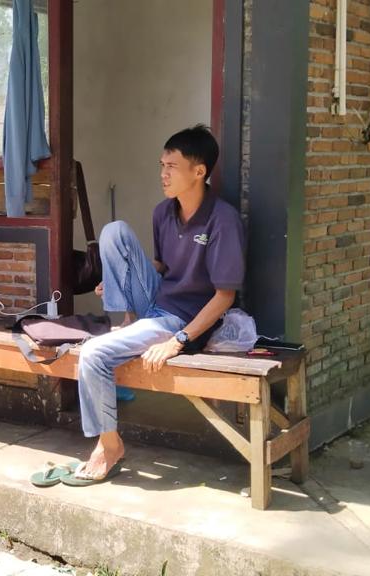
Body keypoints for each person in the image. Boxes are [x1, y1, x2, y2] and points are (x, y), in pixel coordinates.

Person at [68, 125, 245, 485]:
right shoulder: (163, 213)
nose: (163, 174)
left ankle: (109, 446)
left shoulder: (223, 220)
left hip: (183, 320)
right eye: (161, 165)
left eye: (172, 166)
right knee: (114, 231)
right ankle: (128, 320)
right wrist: (119, 279)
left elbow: (224, 296)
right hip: (156, 303)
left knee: (93, 354)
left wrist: (178, 340)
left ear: (199, 171)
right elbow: (161, 267)